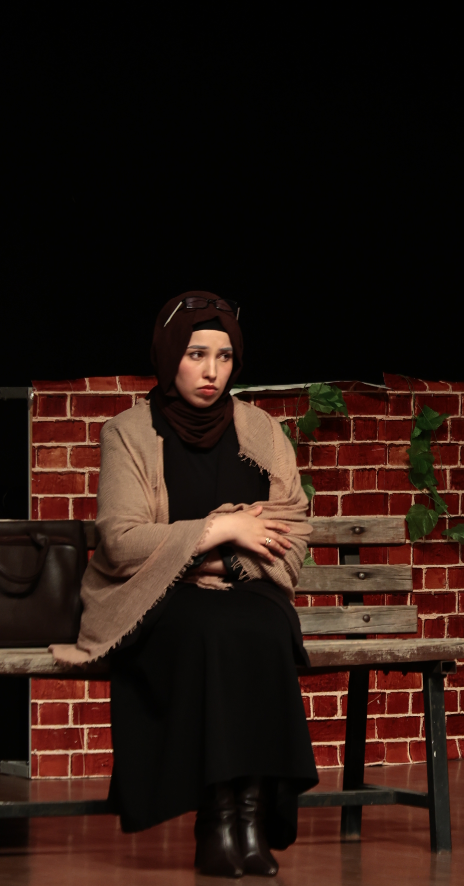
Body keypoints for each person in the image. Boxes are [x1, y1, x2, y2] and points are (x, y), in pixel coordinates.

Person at [52, 292, 318, 878]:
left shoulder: (262, 431)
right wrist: (225, 528)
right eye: (197, 354)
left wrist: (223, 565)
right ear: (170, 353)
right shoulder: (128, 433)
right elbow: (121, 541)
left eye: (224, 357)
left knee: (264, 629)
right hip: (156, 597)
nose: (211, 371)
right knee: (212, 632)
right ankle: (217, 823)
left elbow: (292, 531)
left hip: (248, 589)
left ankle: (250, 819)